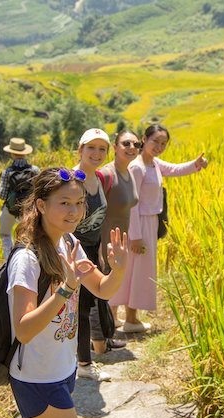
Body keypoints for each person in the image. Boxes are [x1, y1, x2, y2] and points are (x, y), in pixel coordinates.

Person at [7, 167, 128, 418]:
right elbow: (23, 330)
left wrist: (120, 268)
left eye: (79, 203)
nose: (74, 211)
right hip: (38, 376)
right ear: (41, 205)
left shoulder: (68, 243)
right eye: (64, 203)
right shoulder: (27, 259)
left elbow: (101, 287)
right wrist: (66, 289)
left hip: (61, 369)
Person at [109, 123, 208, 333]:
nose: (159, 146)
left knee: (131, 270)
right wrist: (135, 236)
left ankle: (117, 317)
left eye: (164, 143)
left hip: (149, 222)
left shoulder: (153, 163)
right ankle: (129, 319)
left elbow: (174, 169)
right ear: (144, 140)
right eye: (156, 141)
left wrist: (195, 164)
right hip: (138, 223)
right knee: (134, 270)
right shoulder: (137, 166)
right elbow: (132, 203)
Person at [72, 128, 125, 382]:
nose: (96, 153)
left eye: (102, 149)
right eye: (90, 148)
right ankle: (83, 362)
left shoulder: (98, 179)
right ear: (80, 149)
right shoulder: (73, 180)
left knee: (87, 305)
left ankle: (80, 359)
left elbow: (99, 222)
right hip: (72, 252)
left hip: (91, 251)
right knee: (80, 308)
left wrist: (101, 254)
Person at [91, 130, 141, 354]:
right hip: (105, 243)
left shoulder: (128, 173)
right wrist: (100, 247)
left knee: (107, 293)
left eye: (136, 143)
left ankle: (105, 337)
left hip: (118, 243)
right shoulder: (106, 174)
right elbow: (94, 209)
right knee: (97, 293)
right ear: (115, 146)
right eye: (126, 143)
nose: (132, 147)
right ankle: (96, 342)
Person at [0, 137, 39, 258]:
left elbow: (2, 195)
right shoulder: (34, 170)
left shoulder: (7, 172)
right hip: (28, 209)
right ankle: (29, 257)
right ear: (25, 153)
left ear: (11, 153)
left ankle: (8, 259)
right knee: (29, 236)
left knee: (5, 234)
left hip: (10, 209)